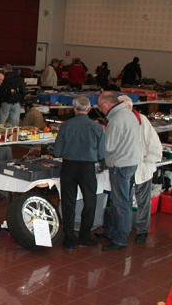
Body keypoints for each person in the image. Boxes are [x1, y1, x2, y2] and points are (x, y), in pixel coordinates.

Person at [53, 96, 106, 250]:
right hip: (88, 168)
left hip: (69, 167)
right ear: (89, 109)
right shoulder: (97, 128)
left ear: (74, 109)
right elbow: (101, 153)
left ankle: (69, 239)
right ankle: (84, 237)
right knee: (90, 202)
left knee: (68, 202)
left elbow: (57, 152)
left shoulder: (66, 125)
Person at [95, 91, 141, 251]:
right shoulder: (128, 114)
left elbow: (109, 147)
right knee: (123, 200)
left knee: (120, 202)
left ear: (107, 104)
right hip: (131, 161)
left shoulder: (116, 120)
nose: (100, 110)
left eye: (100, 106)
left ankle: (120, 238)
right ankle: (113, 232)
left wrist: (103, 133)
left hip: (121, 164)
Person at [118, 96, 162, 244]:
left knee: (143, 201)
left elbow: (154, 144)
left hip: (142, 166)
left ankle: (143, 230)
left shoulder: (142, 120)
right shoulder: (120, 120)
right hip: (125, 167)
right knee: (125, 200)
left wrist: (148, 162)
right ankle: (125, 228)